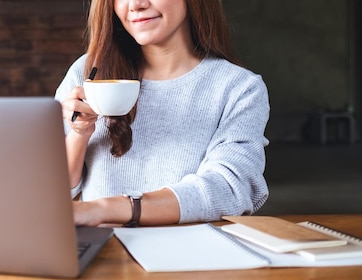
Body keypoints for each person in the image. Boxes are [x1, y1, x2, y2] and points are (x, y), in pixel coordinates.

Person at [55, 0, 270, 227]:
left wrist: (104, 209)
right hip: (105, 251)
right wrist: (79, 134)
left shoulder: (239, 87)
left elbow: (228, 189)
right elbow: (51, 192)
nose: (136, 4)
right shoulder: (86, 73)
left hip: (189, 253)